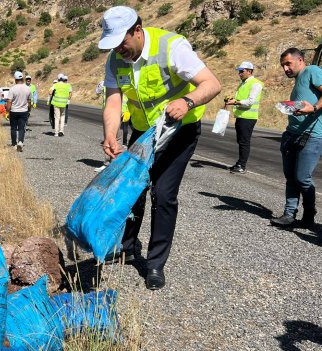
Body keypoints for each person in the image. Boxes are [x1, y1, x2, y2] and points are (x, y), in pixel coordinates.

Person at [99, 6, 221, 289]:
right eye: (114, 44)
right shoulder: (115, 60)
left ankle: (155, 264)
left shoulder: (171, 46)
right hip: (144, 132)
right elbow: (114, 101)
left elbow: (212, 84)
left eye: (122, 42)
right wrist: (111, 134)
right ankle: (126, 247)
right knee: (132, 190)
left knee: (163, 194)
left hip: (179, 131)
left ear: (137, 31)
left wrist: (188, 101)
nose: (119, 49)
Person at [269, 48, 322, 228]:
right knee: (291, 176)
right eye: (283, 65)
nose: (285, 69)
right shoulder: (300, 79)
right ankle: (289, 214)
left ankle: (309, 211)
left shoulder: (312, 71)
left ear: (300, 60)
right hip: (293, 134)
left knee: (302, 178)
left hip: (312, 135)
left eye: (288, 64)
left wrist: (314, 110)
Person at [225, 61, 264, 174]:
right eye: (239, 71)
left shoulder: (256, 83)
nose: (240, 74)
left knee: (244, 142)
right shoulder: (243, 83)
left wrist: (235, 102)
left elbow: (250, 101)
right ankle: (240, 163)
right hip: (241, 116)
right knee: (241, 141)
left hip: (248, 117)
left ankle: (242, 165)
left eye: (242, 71)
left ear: (249, 71)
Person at [95, 80, 130, 173]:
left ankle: (112, 163)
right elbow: (97, 91)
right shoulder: (109, 82)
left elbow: (97, 91)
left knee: (115, 138)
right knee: (111, 138)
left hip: (120, 113)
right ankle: (111, 163)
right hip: (112, 113)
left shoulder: (123, 82)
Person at [6, 71, 32, 152]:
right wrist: (29, 110)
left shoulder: (12, 89)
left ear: (15, 79)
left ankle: (14, 144)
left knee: (13, 128)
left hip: (14, 111)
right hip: (24, 111)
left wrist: (7, 111)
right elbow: (29, 101)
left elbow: (9, 102)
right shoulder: (28, 89)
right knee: (21, 128)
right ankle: (20, 142)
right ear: (22, 78)